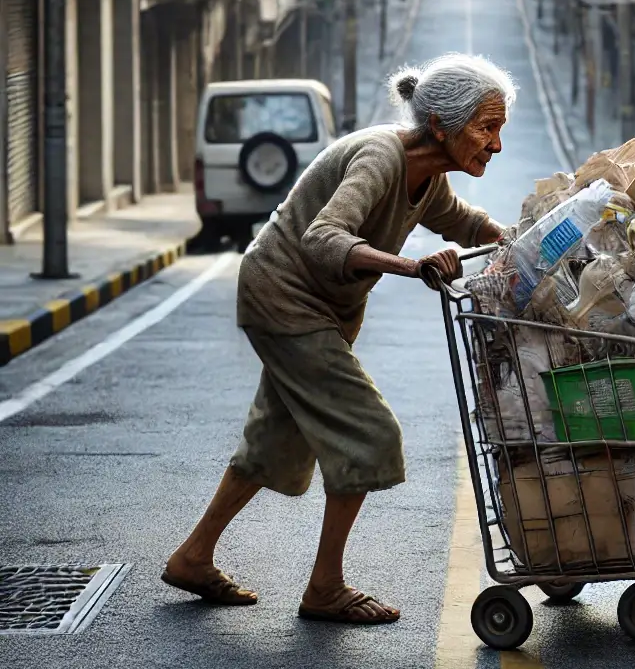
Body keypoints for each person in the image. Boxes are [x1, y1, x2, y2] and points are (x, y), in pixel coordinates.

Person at [161, 53, 514, 625]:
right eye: (487, 127)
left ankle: (193, 556)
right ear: (442, 127)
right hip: (285, 299)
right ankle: (324, 587)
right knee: (368, 433)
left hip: (316, 311)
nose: (495, 145)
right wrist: (411, 265)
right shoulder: (380, 156)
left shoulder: (429, 175)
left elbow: (462, 222)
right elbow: (323, 238)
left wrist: (517, 237)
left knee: (274, 438)